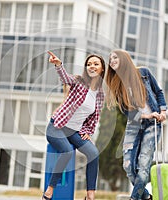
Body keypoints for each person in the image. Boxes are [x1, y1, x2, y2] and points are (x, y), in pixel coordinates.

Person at [105, 49, 167, 200]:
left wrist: (163, 111)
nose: (112, 60)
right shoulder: (117, 85)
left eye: (115, 57)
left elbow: (158, 92)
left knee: (144, 164)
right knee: (128, 166)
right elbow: (127, 112)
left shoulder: (144, 72)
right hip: (134, 125)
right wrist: (146, 115)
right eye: (110, 58)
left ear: (124, 58)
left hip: (153, 124)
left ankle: (135, 198)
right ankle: (145, 197)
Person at [43, 51, 106, 200]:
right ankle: (49, 190)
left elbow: (94, 117)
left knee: (93, 153)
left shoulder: (100, 94)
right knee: (67, 152)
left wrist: (88, 131)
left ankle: (90, 195)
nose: (92, 66)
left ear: (102, 69)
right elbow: (66, 78)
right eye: (89, 64)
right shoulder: (78, 81)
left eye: (96, 64)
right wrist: (58, 65)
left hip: (75, 132)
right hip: (57, 128)